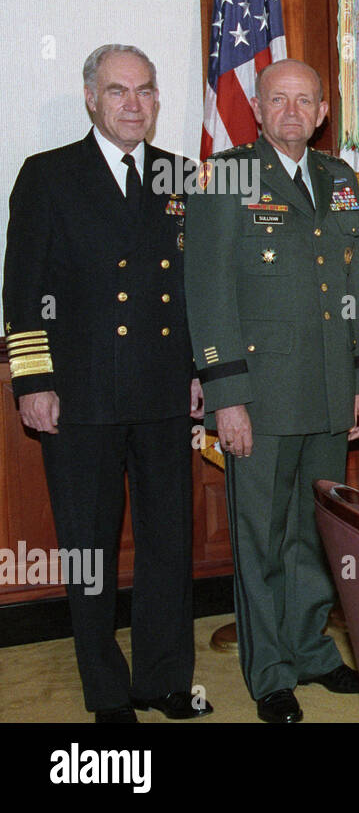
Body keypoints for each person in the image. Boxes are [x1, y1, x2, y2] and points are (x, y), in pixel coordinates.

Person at [3, 44, 210, 723]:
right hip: (81, 396)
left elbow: (192, 294)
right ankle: (108, 690)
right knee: (90, 546)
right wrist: (33, 382)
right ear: (91, 97)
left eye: (145, 91)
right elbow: (23, 291)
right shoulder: (49, 174)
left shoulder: (180, 177)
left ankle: (164, 677)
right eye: (118, 90)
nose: (133, 103)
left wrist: (197, 370)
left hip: (160, 393)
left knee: (167, 541)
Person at [185, 59, 359, 723]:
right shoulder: (228, 174)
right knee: (261, 536)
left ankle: (309, 646)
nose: (292, 111)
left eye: (305, 101)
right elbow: (207, 293)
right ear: (259, 109)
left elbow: (354, 287)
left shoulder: (340, 180)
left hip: (328, 392)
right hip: (259, 398)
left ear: (323, 112)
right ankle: (268, 668)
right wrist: (225, 394)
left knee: (314, 531)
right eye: (278, 99)